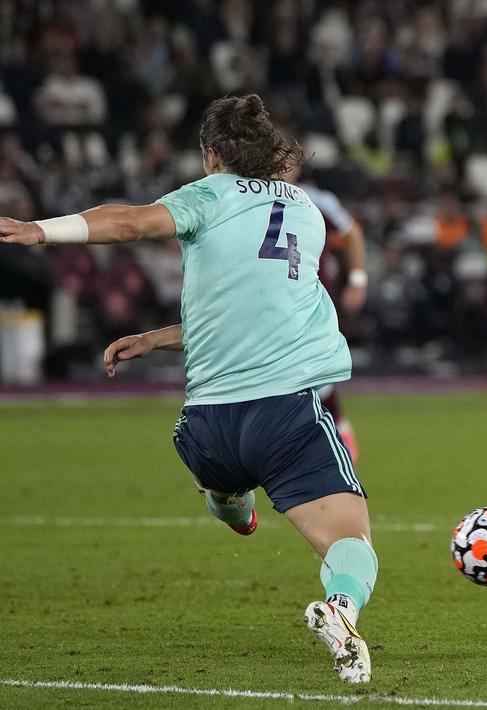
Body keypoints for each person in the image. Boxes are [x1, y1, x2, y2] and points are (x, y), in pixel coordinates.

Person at [0, 95, 378, 683]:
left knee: (226, 484)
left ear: (211, 155)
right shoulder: (306, 211)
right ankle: (340, 609)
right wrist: (156, 338)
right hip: (284, 418)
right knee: (351, 543)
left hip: (205, 429)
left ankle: (235, 508)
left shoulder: (208, 194)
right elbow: (262, 306)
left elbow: (128, 222)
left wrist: (39, 231)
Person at [282, 162, 369, 463]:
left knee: (314, 362)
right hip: (272, 297)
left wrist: (357, 280)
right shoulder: (252, 198)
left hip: (313, 296)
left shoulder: (314, 199)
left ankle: (337, 424)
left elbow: (352, 232)